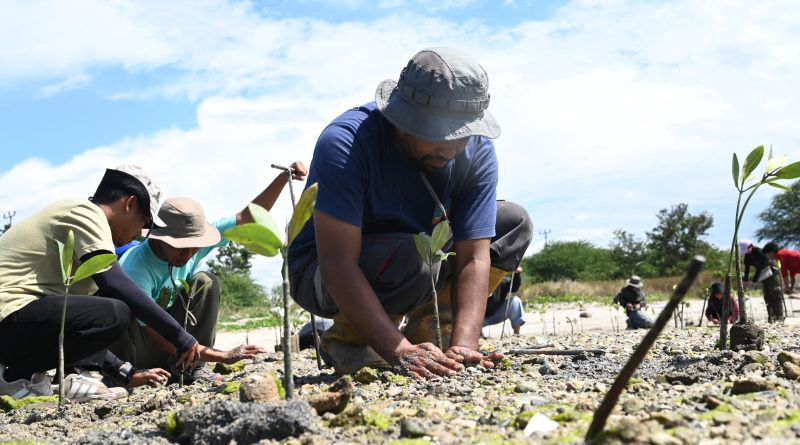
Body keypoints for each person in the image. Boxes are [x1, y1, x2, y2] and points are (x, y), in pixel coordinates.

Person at [288, 47, 533, 378]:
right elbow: (338, 264)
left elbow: (475, 257)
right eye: (438, 134)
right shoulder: (347, 142)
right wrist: (398, 352)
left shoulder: (475, 151)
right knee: (411, 254)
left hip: (415, 263)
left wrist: (465, 345)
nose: (450, 149)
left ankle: (434, 332)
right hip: (323, 271)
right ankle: (354, 343)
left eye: (461, 136)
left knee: (512, 224)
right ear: (401, 119)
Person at [0, 165, 202, 401]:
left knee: (104, 309)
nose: (140, 234)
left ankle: (26, 375)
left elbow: (78, 326)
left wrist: (123, 372)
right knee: (115, 311)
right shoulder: (85, 212)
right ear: (130, 204)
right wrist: (182, 337)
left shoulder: (85, 234)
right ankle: (15, 377)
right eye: (145, 223)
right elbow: (115, 285)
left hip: (16, 323)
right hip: (8, 316)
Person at [113, 162, 307, 383]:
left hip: (179, 345)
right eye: (179, 246)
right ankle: (181, 363)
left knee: (206, 281)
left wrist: (283, 178)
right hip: (141, 348)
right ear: (160, 236)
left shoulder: (192, 245)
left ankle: (190, 366)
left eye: (194, 246)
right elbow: (154, 333)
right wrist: (221, 356)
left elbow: (247, 218)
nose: (187, 254)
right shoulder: (137, 267)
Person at [740, 239, 784, 322]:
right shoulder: (747, 255)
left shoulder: (759, 252)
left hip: (772, 272)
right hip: (763, 275)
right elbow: (747, 268)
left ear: (750, 246)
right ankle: (771, 317)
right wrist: (745, 280)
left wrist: (754, 281)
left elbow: (760, 267)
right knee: (767, 295)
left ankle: (779, 317)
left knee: (775, 293)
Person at [483, 266, 526, 335]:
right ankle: (478, 335)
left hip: (495, 315)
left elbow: (514, 288)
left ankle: (517, 334)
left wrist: (516, 274)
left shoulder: (501, 281)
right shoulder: (477, 282)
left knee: (515, 301)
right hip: (478, 318)